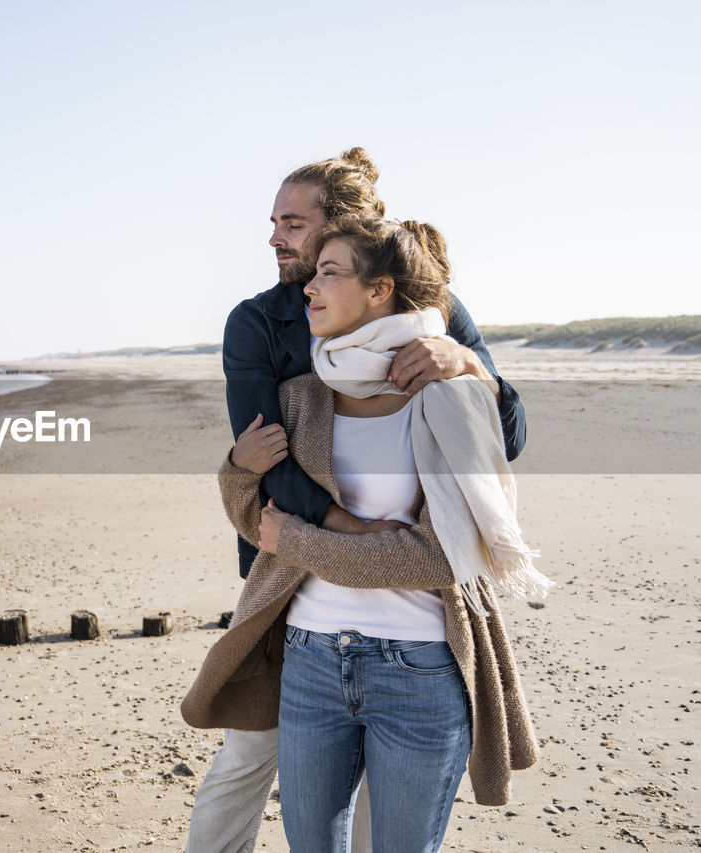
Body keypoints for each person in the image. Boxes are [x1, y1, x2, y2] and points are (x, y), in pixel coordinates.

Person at [185, 149, 526, 853]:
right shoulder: (262, 323)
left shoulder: (434, 313)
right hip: (286, 584)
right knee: (249, 755)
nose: (276, 238)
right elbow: (264, 471)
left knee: (388, 790)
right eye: (274, 222)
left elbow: (507, 437)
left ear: (344, 233)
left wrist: (464, 363)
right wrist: (344, 532)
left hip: (409, 627)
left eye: (292, 223)